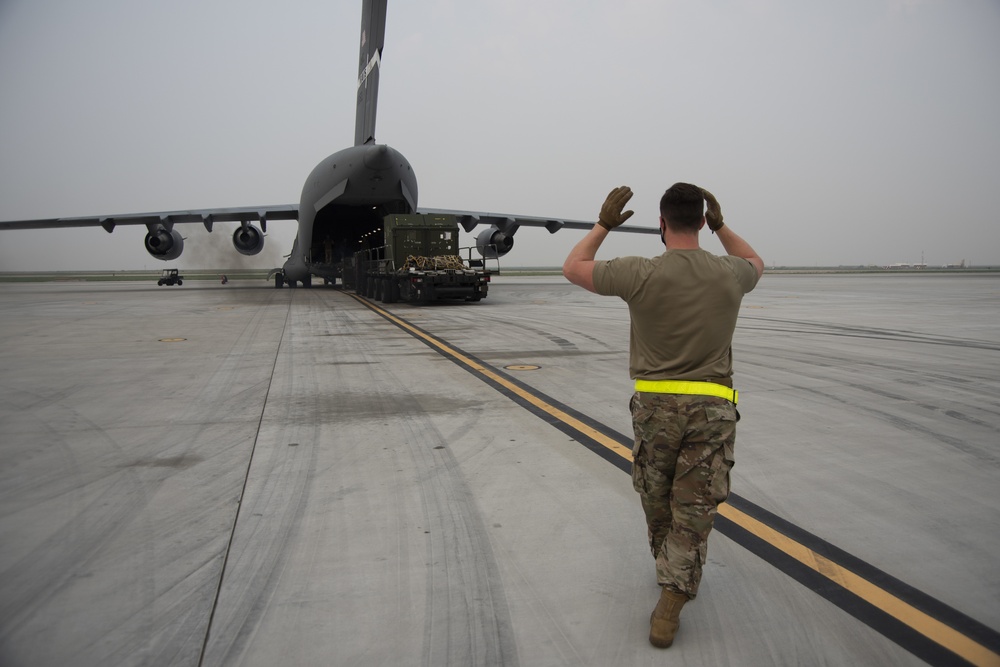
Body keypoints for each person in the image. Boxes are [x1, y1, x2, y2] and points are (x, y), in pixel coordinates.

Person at [562, 183, 763, 648]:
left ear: (661, 223)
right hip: (712, 408)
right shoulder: (731, 272)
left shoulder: (639, 271)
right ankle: (674, 587)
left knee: (656, 498)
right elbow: (756, 260)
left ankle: (671, 580)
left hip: (655, 410)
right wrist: (723, 228)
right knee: (694, 506)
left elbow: (573, 267)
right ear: (702, 221)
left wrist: (604, 224)